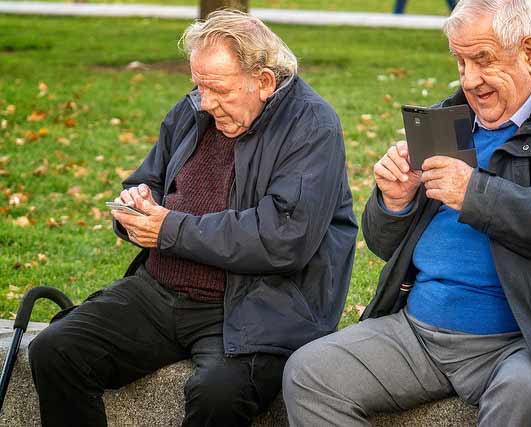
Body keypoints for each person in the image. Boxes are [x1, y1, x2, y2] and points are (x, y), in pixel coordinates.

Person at [283, 0, 531, 426]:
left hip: (524, 340)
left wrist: (476, 194)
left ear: (529, 51)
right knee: (309, 372)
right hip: (418, 332)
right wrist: (393, 204)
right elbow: (382, 245)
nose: (469, 79)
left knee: (526, 393)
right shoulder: (448, 119)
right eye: (460, 61)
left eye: (482, 60)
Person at [28, 10, 357, 427]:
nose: (205, 102)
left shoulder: (311, 126)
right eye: (198, 85)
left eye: (217, 89)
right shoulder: (193, 110)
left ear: (264, 82)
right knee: (56, 349)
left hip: (255, 305)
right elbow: (149, 179)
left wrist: (168, 228)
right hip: (161, 290)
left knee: (218, 394)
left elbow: (282, 238)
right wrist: (135, 205)